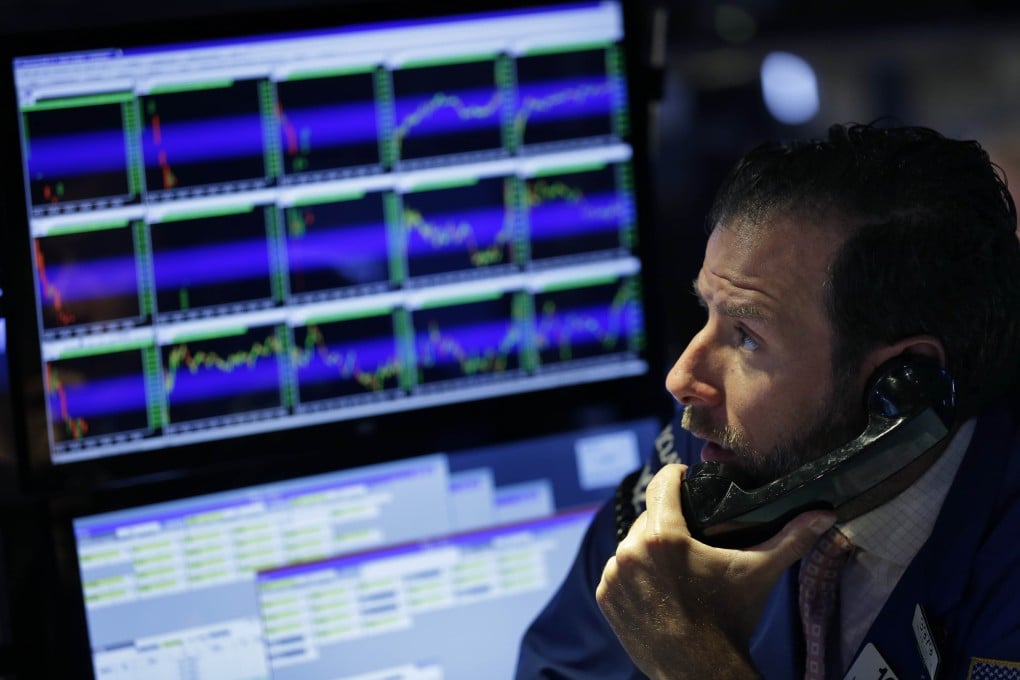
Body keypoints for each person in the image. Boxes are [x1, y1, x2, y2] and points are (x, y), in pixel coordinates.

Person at [514, 122, 1020, 679]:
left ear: (902, 388)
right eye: (706, 312)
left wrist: (697, 661)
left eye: (747, 337)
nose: (682, 377)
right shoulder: (708, 454)